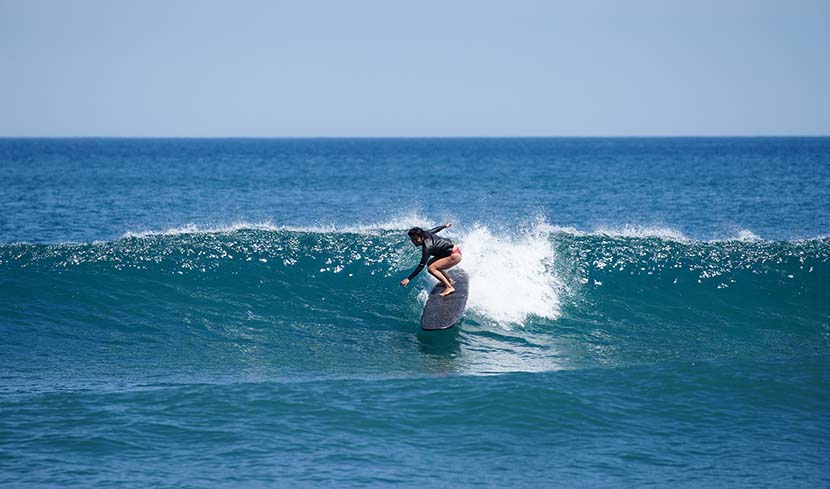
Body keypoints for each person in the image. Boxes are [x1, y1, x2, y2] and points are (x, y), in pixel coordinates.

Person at [399, 223, 462, 296]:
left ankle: (449, 287)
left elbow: (421, 265)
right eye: (412, 239)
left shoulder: (427, 247)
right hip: (451, 252)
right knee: (430, 263)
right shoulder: (426, 233)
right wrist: (444, 226)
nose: (414, 242)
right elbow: (436, 229)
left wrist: (409, 279)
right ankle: (448, 280)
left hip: (454, 255)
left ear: (422, 238)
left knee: (431, 268)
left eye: (416, 239)